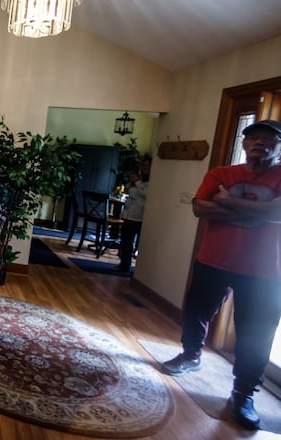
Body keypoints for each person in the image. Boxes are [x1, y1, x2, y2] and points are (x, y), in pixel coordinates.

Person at [160, 119, 281, 430]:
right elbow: (200, 208)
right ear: (244, 144)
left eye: (269, 139)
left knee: (256, 333)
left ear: (279, 147)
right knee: (197, 310)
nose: (261, 143)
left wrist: (227, 201)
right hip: (214, 259)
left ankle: (243, 394)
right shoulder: (221, 173)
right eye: (254, 138)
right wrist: (261, 212)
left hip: (266, 271)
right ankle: (190, 355)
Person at [113, 157, 151, 272]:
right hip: (129, 214)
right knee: (126, 241)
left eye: (148, 165)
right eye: (143, 165)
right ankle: (124, 264)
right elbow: (127, 191)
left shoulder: (151, 181)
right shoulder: (139, 179)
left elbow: (147, 194)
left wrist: (137, 182)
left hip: (140, 217)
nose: (145, 168)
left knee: (139, 243)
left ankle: (140, 269)